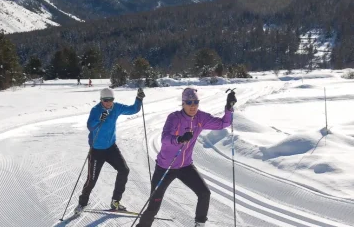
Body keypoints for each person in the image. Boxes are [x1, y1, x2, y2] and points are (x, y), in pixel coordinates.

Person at [136, 87, 237, 227]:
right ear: (183, 103)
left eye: (196, 102)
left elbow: (223, 124)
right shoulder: (174, 118)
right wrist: (179, 139)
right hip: (166, 166)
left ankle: (199, 224)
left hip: (185, 166)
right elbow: (165, 138)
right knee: (155, 202)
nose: (193, 106)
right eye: (189, 102)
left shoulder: (201, 118)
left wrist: (228, 107)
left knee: (204, 193)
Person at [74, 87, 146, 215]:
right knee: (92, 179)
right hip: (96, 150)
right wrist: (99, 119)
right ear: (101, 100)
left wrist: (138, 99)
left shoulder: (116, 107)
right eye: (105, 100)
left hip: (111, 148)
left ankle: (115, 202)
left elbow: (133, 109)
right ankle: (82, 203)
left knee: (124, 170)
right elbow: (90, 126)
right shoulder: (96, 110)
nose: (108, 103)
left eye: (111, 100)